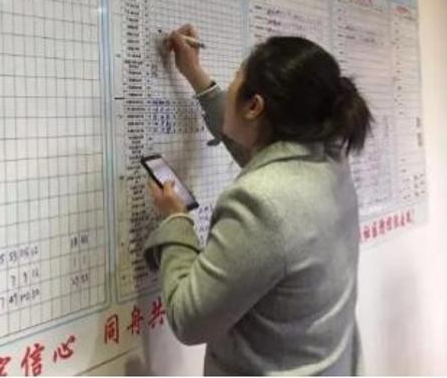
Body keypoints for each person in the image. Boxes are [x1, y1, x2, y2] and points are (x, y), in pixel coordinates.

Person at [144, 25, 372, 376]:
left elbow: (189, 318)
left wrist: (176, 220)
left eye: (236, 78)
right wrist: (195, 75)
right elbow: (260, 152)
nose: (230, 86)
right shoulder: (328, 160)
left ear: (254, 106)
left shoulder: (261, 203)